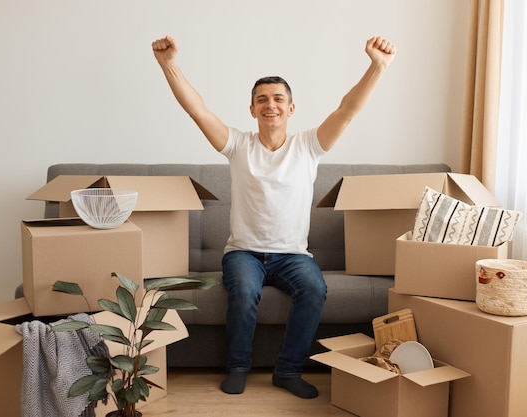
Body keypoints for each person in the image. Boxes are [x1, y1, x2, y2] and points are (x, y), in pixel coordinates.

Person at [152, 34, 396, 399]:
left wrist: (377, 66)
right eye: (262, 100)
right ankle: (237, 367)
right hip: (243, 253)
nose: (271, 105)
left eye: (278, 99)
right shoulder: (237, 145)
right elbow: (198, 110)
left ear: (291, 109)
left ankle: (288, 371)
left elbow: (347, 110)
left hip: (294, 256)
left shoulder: (309, 146)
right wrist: (169, 64)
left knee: (314, 289)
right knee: (245, 291)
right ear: (252, 110)